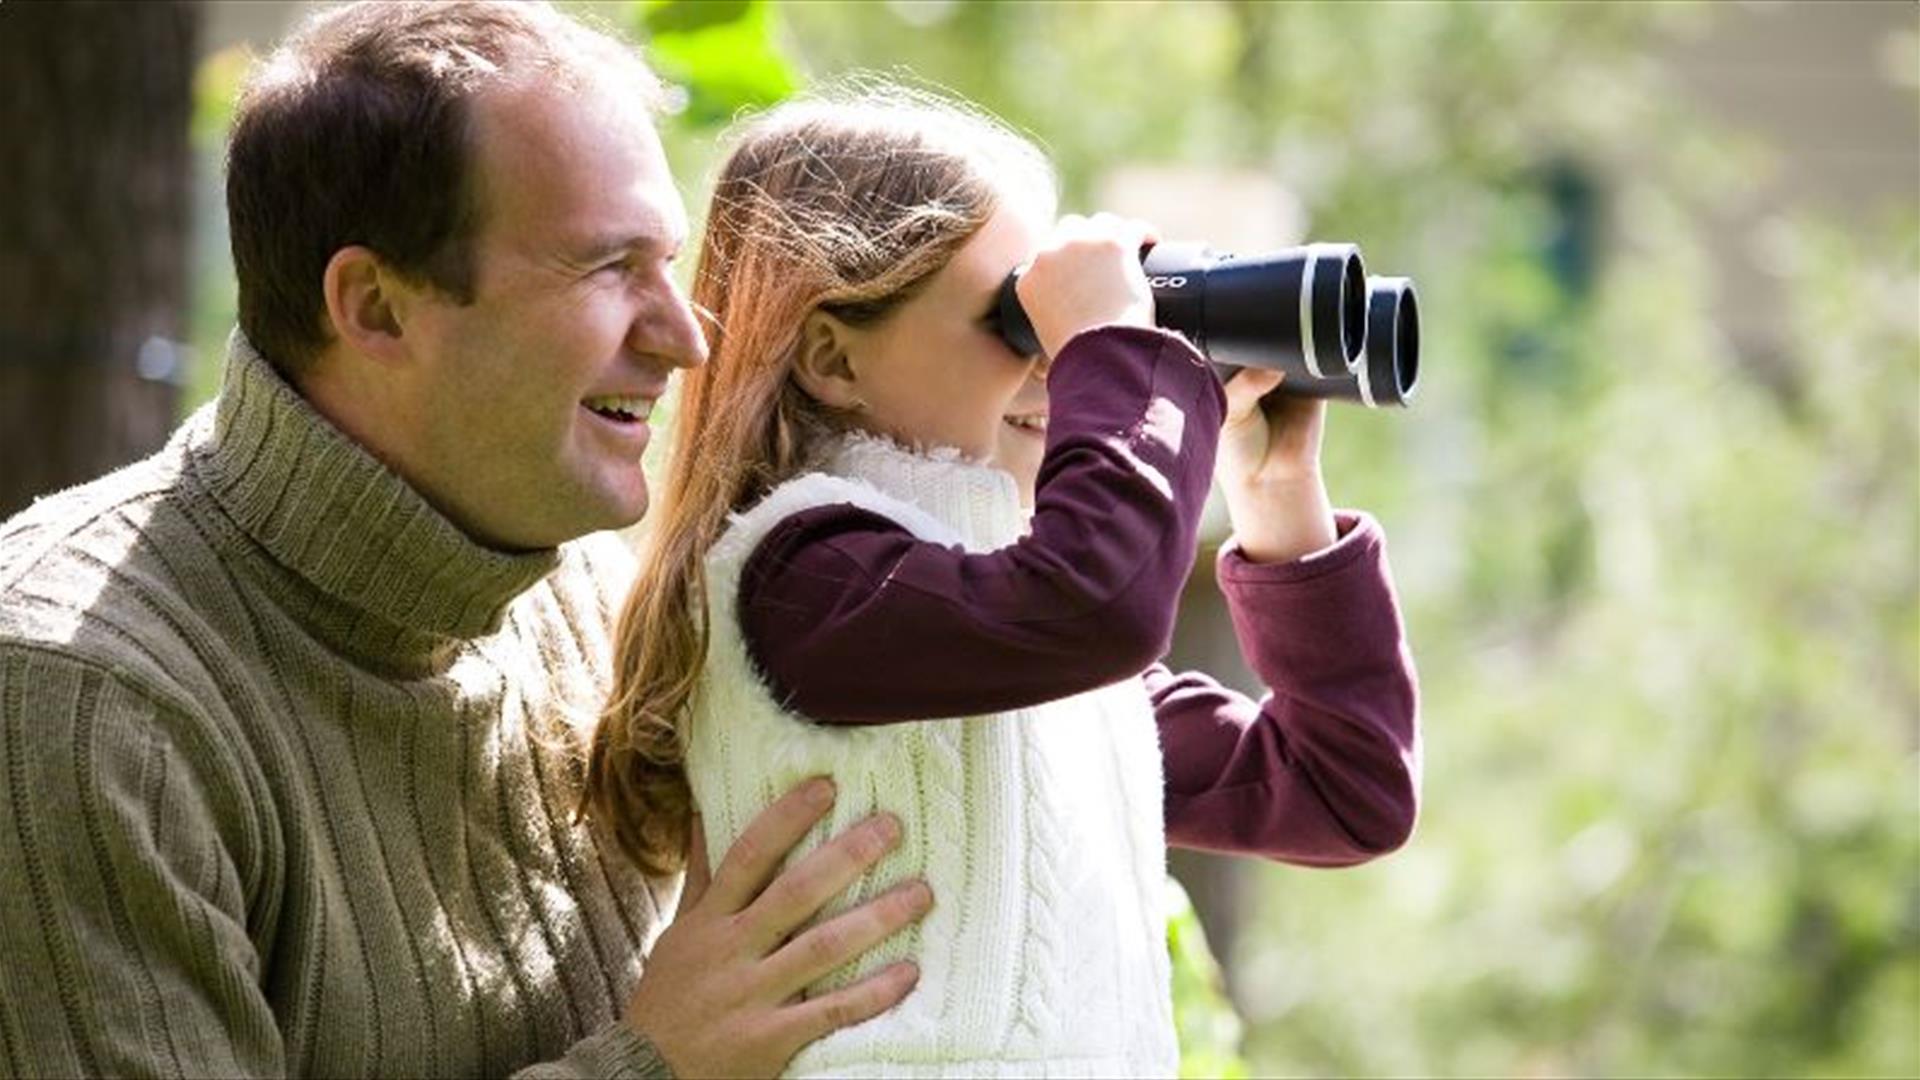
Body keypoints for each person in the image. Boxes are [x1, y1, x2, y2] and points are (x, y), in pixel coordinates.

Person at [0, 4, 933, 1077]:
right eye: (606, 269)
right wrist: (653, 1067)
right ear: (378, 308)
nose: (684, 338)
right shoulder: (80, 705)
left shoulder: (582, 592)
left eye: (667, 262)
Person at [584, 90, 1422, 1077]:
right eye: (1019, 323)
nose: (1058, 374)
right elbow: (1091, 606)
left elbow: (1341, 791)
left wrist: (1276, 493)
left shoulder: (1024, 648)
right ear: (828, 355)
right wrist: (1125, 354)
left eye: (1061, 331)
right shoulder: (809, 583)